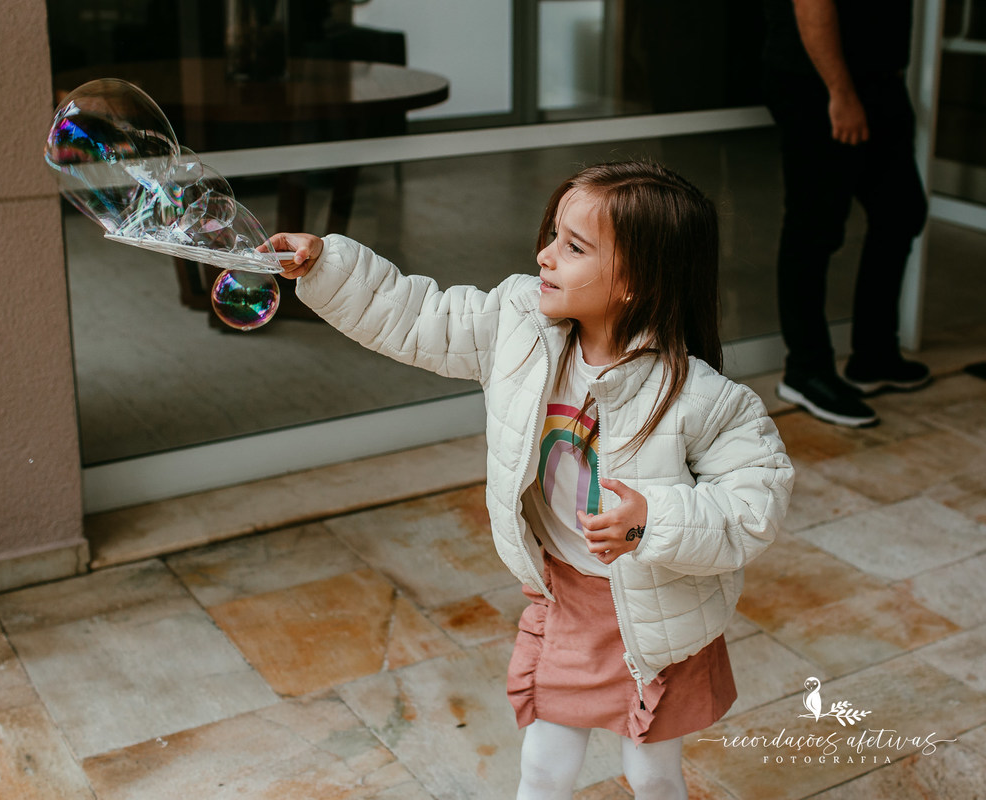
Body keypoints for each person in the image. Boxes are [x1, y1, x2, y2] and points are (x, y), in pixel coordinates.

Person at [265, 160, 794, 800]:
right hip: (569, 599)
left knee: (651, 771)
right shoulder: (518, 325)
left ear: (638, 281)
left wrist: (652, 519)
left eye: (574, 247)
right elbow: (416, 315)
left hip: (657, 616)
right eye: (552, 234)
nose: (544, 254)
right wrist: (325, 265)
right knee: (544, 763)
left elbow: (753, 506)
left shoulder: (703, 398)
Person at [764, 0, 931, 427]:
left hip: (879, 83)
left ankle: (874, 356)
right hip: (820, 84)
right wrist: (840, 92)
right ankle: (806, 370)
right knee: (814, 229)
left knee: (901, 211)